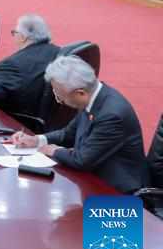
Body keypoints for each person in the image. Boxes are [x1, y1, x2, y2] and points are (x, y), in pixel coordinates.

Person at [8, 56, 148, 194]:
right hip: (93, 179)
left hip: (119, 195)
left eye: (60, 97)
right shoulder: (93, 96)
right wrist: (36, 140)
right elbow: (68, 134)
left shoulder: (112, 116)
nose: (59, 101)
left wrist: (54, 151)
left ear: (80, 93)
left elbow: (82, 161)